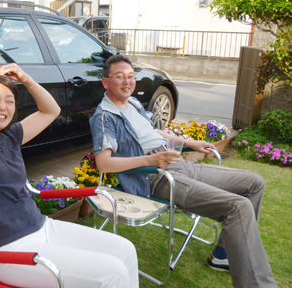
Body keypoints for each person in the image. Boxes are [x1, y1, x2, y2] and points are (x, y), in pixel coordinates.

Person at [0, 53, 139, 288]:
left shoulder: (11, 136)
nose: (2, 107)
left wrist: (24, 78)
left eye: (9, 101)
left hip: (41, 226)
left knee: (126, 250)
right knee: (112, 272)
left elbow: (50, 110)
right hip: (5, 248)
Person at [89, 54, 277, 288]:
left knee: (254, 182)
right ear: (106, 82)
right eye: (119, 77)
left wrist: (190, 143)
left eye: (130, 77)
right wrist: (153, 159)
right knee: (238, 207)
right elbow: (104, 164)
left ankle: (223, 255)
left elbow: (155, 133)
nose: (127, 82)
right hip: (156, 178)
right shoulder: (104, 117)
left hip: (179, 165)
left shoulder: (134, 104)